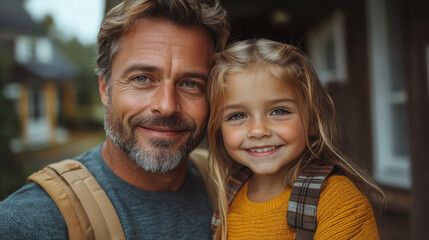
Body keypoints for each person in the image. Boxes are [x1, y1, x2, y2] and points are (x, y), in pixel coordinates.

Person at [0, 0, 229, 239]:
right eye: (142, 78)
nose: (167, 106)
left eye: (191, 84)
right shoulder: (27, 222)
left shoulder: (229, 185)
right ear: (104, 88)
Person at [207, 39, 385, 239]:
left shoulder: (338, 202)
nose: (258, 131)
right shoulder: (227, 196)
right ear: (217, 128)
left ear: (312, 121)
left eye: (279, 111)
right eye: (237, 116)